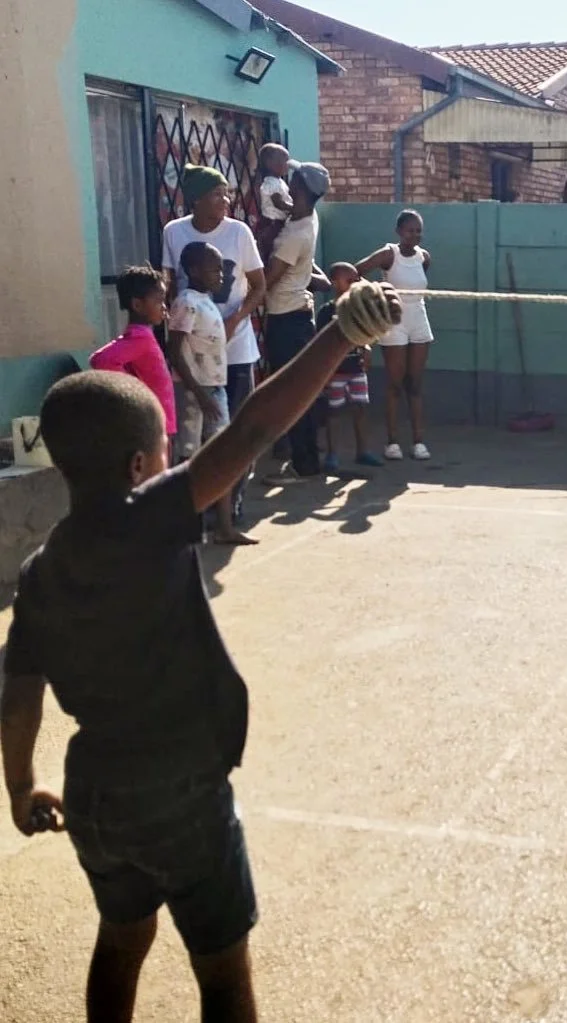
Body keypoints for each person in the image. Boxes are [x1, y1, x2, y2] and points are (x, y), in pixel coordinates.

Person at [0, 279, 402, 1023]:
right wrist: (339, 334)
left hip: (94, 792)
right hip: (179, 792)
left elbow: (19, 687)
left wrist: (21, 784)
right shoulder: (148, 517)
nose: (172, 458)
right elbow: (250, 431)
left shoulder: (39, 572)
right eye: (163, 448)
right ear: (138, 468)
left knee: (121, 938)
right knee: (222, 970)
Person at [162, 164, 266, 524]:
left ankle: (231, 504)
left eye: (227, 193)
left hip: (235, 352)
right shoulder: (174, 232)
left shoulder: (239, 232)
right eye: (217, 194)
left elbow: (259, 285)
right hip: (195, 359)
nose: (225, 200)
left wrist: (235, 321)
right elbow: (171, 283)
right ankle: (195, 510)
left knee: (238, 430)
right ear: (196, 199)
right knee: (196, 440)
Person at [167, 241, 255, 546]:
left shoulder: (206, 303)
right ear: (193, 270)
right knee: (189, 458)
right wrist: (197, 393)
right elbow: (175, 352)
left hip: (214, 390)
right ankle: (188, 527)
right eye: (214, 268)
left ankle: (224, 526)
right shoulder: (186, 303)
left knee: (223, 455)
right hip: (194, 392)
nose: (221, 274)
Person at [261, 160, 333, 484]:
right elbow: (295, 209)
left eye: (293, 180)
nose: (287, 182)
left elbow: (270, 278)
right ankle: (305, 459)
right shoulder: (305, 216)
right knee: (299, 389)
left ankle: (303, 464)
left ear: (301, 188)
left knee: (292, 393)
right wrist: (282, 205)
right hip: (297, 315)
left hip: (286, 319)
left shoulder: (297, 235)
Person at [356, 209, 433, 461]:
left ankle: (418, 441)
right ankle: (392, 442)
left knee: (416, 383)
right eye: (410, 230)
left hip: (419, 321)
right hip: (394, 322)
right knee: (395, 383)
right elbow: (357, 271)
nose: (415, 235)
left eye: (418, 230)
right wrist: (375, 298)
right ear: (399, 232)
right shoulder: (389, 254)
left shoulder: (424, 257)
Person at [89, 265, 176, 460]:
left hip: (158, 424)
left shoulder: (142, 336)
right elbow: (100, 360)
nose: (164, 306)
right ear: (137, 305)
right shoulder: (140, 338)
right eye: (159, 301)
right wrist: (132, 387)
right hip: (151, 425)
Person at [316, 262, 382, 474]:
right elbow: (322, 342)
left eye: (356, 280)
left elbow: (365, 334)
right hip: (336, 370)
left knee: (361, 407)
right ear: (335, 282)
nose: (354, 284)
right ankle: (332, 454)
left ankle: (363, 451)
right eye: (349, 280)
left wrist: (367, 347)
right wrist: (325, 371)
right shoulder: (327, 312)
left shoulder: (359, 308)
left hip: (356, 368)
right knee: (333, 411)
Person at [255, 143, 292, 263]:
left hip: (279, 222)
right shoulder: (271, 183)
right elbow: (278, 203)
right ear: (270, 164)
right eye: (284, 160)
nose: (288, 164)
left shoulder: (280, 181)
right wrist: (295, 208)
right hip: (272, 223)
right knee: (272, 250)